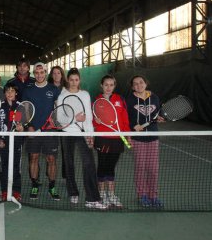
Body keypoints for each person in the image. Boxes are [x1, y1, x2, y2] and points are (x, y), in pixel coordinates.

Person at [57, 69, 106, 209]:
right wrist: (74, 119)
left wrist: (90, 135)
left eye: (76, 80)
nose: (73, 82)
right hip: (66, 133)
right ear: (67, 80)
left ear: (80, 80)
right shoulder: (62, 96)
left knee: (89, 164)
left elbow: (88, 116)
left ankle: (92, 199)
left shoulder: (85, 95)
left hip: (83, 133)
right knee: (69, 164)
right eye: (71, 80)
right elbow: (60, 119)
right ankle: (73, 192)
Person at [22, 62, 61, 201]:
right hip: (33, 130)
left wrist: (56, 123)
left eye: (42, 72)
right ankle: (34, 184)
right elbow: (25, 109)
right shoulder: (28, 90)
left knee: (51, 159)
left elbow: (59, 109)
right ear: (34, 74)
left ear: (46, 73)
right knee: (34, 157)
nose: (39, 75)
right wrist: (29, 125)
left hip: (50, 131)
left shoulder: (54, 89)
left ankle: (52, 186)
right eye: (37, 73)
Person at [125, 75, 164, 208]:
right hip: (138, 139)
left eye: (141, 82)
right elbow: (126, 117)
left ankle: (153, 195)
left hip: (153, 137)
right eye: (135, 84)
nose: (139, 85)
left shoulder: (155, 98)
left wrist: (159, 118)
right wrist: (132, 126)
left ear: (146, 84)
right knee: (140, 168)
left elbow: (156, 115)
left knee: (153, 169)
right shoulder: (129, 99)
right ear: (132, 87)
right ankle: (142, 195)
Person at [93, 75, 131, 208]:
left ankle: (112, 194)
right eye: (106, 85)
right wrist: (95, 121)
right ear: (101, 85)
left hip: (117, 139)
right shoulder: (97, 101)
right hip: (102, 138)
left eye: (111, 85)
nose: (108, 87)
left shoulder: (120, 100)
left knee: (111, 167)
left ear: (114, 86)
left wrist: (127, 135)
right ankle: (102, 194)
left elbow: (125, 119)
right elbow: (93, 120)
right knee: (102, 166)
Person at [0, 83, 24, 202]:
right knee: (4, 167)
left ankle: (16, 191)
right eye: (7, 91)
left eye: (12, 91)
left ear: (16, 93)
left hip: (16, 142)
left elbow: (22, 124)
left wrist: (22, 129)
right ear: (4, 93)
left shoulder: (20, 106)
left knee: (16, 166)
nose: (10, 93)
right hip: (3, 143)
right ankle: (5, 190)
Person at [47, 65, 68, 179]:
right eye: (54, 73)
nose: (56, 75)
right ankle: (49, 173)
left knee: (66, 151)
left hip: (65, 124)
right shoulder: (47, 87)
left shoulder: (67, 88)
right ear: (51, 75)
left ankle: (66, 176)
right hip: (51, 124)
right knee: (50, 153)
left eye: (58, 73)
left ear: (62, 74)